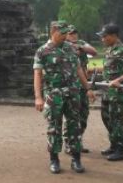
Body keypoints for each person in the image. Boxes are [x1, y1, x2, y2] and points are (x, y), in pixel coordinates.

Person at [33, 21, 95, 174]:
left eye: (67, 33)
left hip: (73, 94)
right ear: (53, 32)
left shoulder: (71, 49)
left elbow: (79, 69)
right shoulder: (43, 51)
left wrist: (87, 88)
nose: (66, 36)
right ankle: (54, 159)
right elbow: (38, 74)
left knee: (75, 126)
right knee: (54, 127)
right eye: (62, 33)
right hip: (54, 95)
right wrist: (38, 97)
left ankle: (76, 159)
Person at [96, 24, 123, 162]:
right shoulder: (109, 50)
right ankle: (114, 144)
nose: (102, 39)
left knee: (116, 119)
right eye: (102, 36)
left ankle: (121, 149)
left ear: (114, 36)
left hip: (118, 92)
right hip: (107, 90)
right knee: (106, 117)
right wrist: (96, 70)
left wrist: (119, 80)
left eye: (105, 36)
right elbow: (110, 69)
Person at [65, 25, 98, 153]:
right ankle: (69, 143)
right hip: (70, 85)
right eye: (70, 33)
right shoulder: (62, 45)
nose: (73, 35)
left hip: (83, 85)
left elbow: (94, 52)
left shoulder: (81, 43)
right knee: (72, 115)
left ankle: (78, 141)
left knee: (84, 114)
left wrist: (80, 47)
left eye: (75, 32)